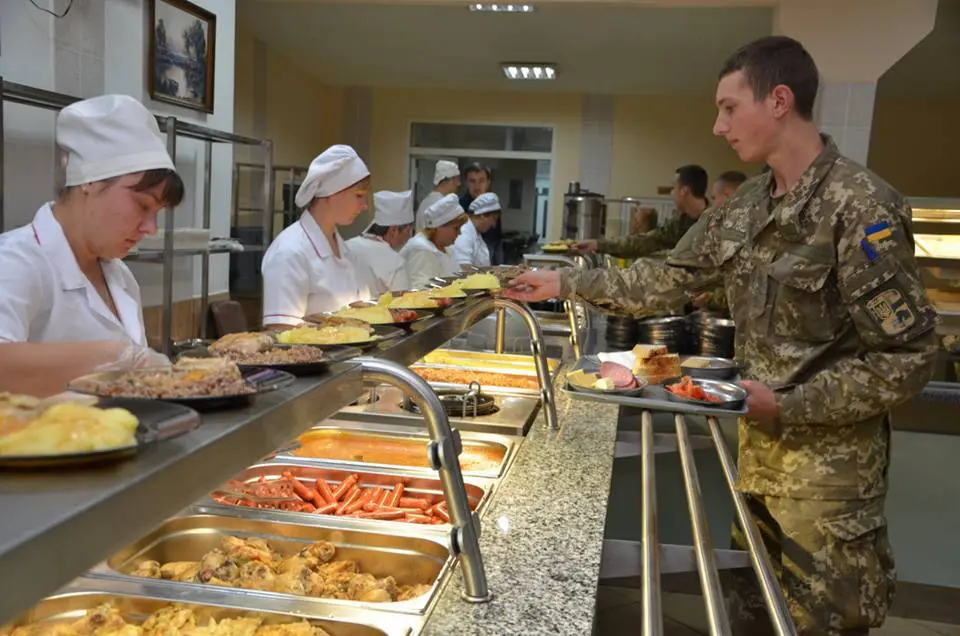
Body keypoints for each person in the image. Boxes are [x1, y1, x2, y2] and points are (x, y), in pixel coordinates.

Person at [505, 35, 938, 635]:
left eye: (730, 108)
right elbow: (670, 276)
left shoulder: (861, 206)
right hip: (756, 464)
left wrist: (787, 404)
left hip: (829, 490)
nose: (718, 126)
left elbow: (908, 358)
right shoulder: (748, 204)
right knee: (750, 616)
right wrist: (562, 281)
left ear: (779, 100)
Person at [0, 94, 183, 397]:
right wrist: (114, 357)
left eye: (157, 213)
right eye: (142, 205)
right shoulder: (15, 261)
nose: (151, 228)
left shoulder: (120, 276)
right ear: (90, 182)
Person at [261, 145, 371, 329]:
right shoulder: (289, 253)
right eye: (359, 195)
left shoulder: (344, 251)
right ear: (331, 193)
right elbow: (281, 330)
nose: (365, 205)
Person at [574, 165, 710, 259]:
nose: (671, 193)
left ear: (684, 191)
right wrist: (598, 244)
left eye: (674, 188)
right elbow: (646, 241)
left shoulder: (714, 224)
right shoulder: (679, 223)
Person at [346, 190, 414, 295]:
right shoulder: (395, 262)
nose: (408, 237)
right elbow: (404, 301)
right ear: (394, 231)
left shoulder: (346, 245)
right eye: (408, 231)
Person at [400, 194, 467, 289]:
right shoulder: (421, 250)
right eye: (456, 228)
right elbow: (421, 289)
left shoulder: (447, 249)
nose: (459, 233)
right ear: (439, 227)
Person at [459, 163, 502, 265]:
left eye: (481, 181)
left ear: (488, 182)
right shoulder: (458, 207)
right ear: (466, 183)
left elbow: (496, 240)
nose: (477, 186)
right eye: (472, 181)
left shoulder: (492, 204)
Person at [451, 192, 501, 269]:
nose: (493, 225)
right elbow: (463, 267)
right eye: (493, 219)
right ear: (482, 216)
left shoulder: (476, 233)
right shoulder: (464, 232)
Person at [415, 160, 460, 231]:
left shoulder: (424, 203)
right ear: (452, 179)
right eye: (457, 180)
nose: (459, 184)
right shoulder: (443, 205)